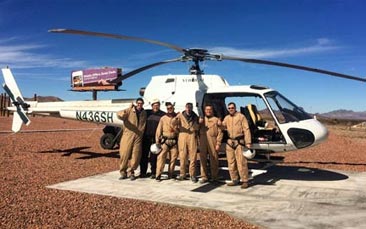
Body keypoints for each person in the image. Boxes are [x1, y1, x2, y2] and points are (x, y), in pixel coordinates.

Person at [220, 102, 252, 189]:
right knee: (231, 162)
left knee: (241, 162)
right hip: (230, 142)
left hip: (239, 142)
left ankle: (245, 180)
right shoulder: (227, 118)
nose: (231, 109)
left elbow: (246, 129)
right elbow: (223, 127)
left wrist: (248, 142)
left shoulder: (241, 117)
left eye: (232, 108)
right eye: (229, 108)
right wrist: (219, 124)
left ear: (235, 108)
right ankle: (234, 179)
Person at [117, 98, 147, 181]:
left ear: (143, 104)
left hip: (138, 136)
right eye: (138, 103)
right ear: (136, 103)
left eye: (141, 103)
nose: (139, 105)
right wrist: (128, 109)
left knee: (136, 155)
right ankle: (123, 172)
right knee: (124, 154)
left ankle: (132, 172)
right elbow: (119, 115)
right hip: (128, 135)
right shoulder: (129, 110)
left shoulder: (144, 113)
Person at [172, 102, 199, 182]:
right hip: (182, 135)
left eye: (190, 107)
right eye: (187, 107)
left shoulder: (195, 116)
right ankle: (182, 174)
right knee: (182, 156)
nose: (189, 108)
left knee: (193, 156)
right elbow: (173, 124)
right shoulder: (180, 115)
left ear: (192, 107)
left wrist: (197, 125)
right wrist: (175, 119)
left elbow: (198, 127)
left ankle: (192, 174)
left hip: (192, 135)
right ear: (185, 107)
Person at [140, 98, 165, 178]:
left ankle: (153, 172)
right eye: (154, 105)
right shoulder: (147, 113)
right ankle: (143, 172)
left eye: (157, 105)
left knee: (154, 156)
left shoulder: (162, 115)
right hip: (146, 137)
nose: (156, 106)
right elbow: (138, 111)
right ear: (152, 105)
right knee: (144, 155)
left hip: (156, 138)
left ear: (159, 105)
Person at [199, 104, 223, 183]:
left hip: (213, 140)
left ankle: (214, 177)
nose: (208, 111)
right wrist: (199, 123)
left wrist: (218, 143)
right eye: (207, 110)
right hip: (202, 141)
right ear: (204, 111)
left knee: (214, 159)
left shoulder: (216, 120)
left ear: (212, 111)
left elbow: (220, 132)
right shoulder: (201, 120)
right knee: (203, 159)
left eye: (210, 109)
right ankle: (204, 176)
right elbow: (195, 129)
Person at [155, 102, 179, 181]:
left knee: (173, 158)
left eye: (171, 108)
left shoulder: (177, 118)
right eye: (168, 108)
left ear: (173, 108)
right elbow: (159, 130)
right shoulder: (163, 118)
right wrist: (157, 141)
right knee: (161, 157)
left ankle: (171, 173)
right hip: (165, 141)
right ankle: (158, 174)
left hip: (174, 141)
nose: (169, 110)